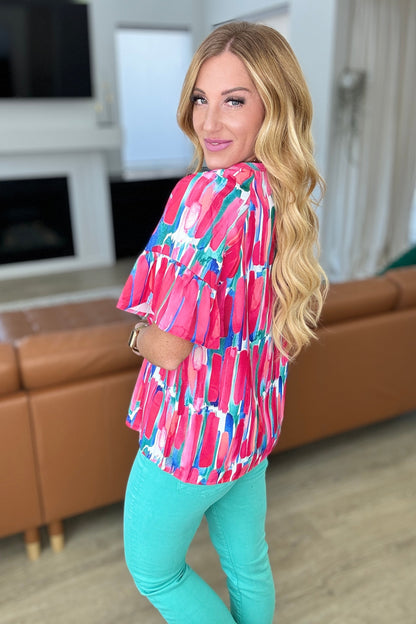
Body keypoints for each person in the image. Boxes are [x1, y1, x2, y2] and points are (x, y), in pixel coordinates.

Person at [117, 21, 326, 624]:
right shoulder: (278, 193)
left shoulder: (206, 195)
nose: (209, 123)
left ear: (273, 107)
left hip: (189, 435)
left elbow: (168, 347)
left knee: (155, 571)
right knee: (248, 564)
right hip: (249, 429)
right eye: (200, 99)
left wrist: (136, 334)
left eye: (234, 101)